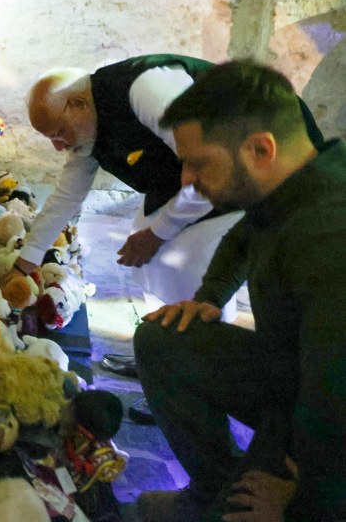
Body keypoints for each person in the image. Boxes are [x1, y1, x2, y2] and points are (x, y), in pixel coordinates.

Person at [8, 54, 322, 378]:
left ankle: (201, 367)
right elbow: (66, 197)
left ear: (77, 104)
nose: (59, 146)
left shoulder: (148, 88)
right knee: (146, 260)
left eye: (58, 132)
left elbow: (211, 166)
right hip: (190, 181)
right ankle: (161, 354)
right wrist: (23, 264)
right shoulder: (88, 127)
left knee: (186, 261)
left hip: (251, 175)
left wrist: (158, 234)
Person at [133, 59, 346, 522]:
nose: (187, 179)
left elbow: (336, 404)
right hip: (294, 386)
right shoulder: (290, 190)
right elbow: (242, 238)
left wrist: (301, 502)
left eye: (199, 163)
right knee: (163, 337)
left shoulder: (329, 237)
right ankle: (210, 491)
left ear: (260, 149)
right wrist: (208, 299)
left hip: (326, 433)